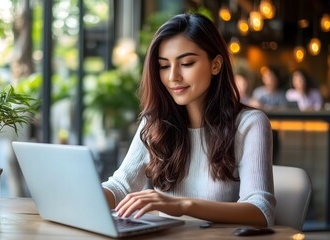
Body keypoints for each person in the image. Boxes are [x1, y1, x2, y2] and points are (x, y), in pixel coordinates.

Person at [102, 13, 275, 227]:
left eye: (186, 63)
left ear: (216, 65)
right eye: (164, 66)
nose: (173, 76)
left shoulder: (250, 124)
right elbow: (121, 186)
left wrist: (181, 205)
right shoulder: (155, 123)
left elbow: (260, 211)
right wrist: (84, 195)